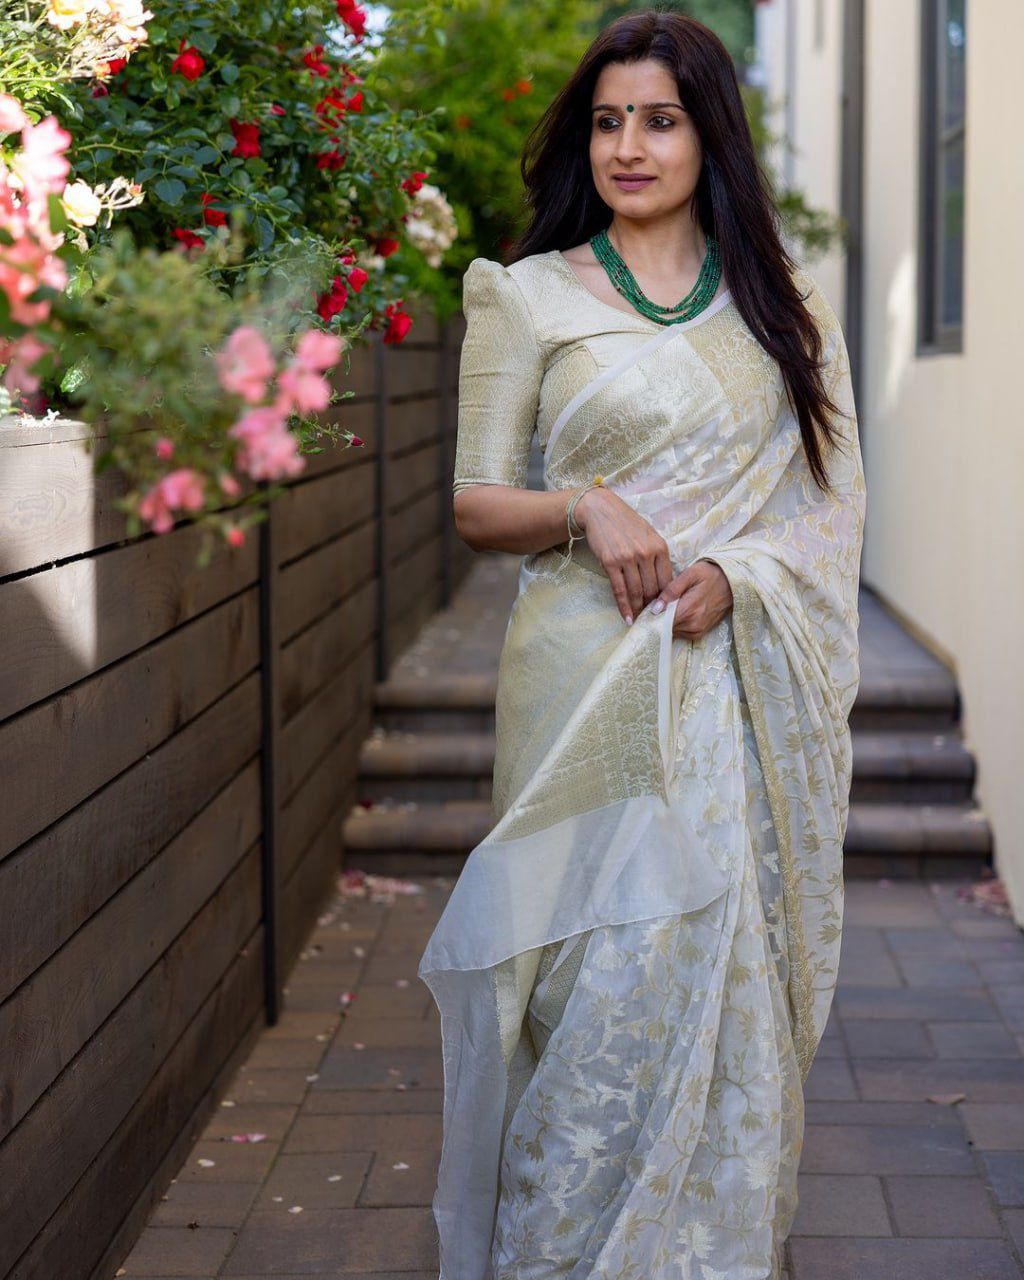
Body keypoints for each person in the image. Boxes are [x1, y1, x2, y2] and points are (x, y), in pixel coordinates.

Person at [417, 11, 866, 1280]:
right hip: (579, 683)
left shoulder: (783, 310)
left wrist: (740, 572)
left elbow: (828, 509)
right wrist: (584, 505)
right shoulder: (525, 293)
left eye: (659, 120)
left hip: (729, 681)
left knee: (712, 971)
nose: (628, 145)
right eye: (608, 121)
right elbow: (474, 502)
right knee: (582, 988)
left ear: (707, 134)